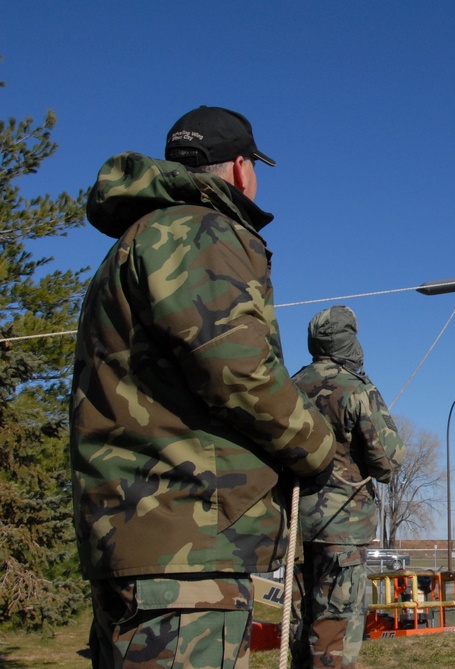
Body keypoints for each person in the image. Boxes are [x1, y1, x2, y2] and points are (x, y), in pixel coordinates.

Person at [70, 106, 341, 669]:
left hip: (143, 544)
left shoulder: (137, 241)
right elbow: (239, 371)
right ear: (241, 169)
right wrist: (316, 447)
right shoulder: (199, 231)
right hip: (185, 553)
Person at [290, 305, 406, 669]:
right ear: (347, 342)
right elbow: (388, 462)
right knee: (335, 626)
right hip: (342, 531)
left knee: (299, 622)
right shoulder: (356, 390)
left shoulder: (288, 387)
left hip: (295, 530)